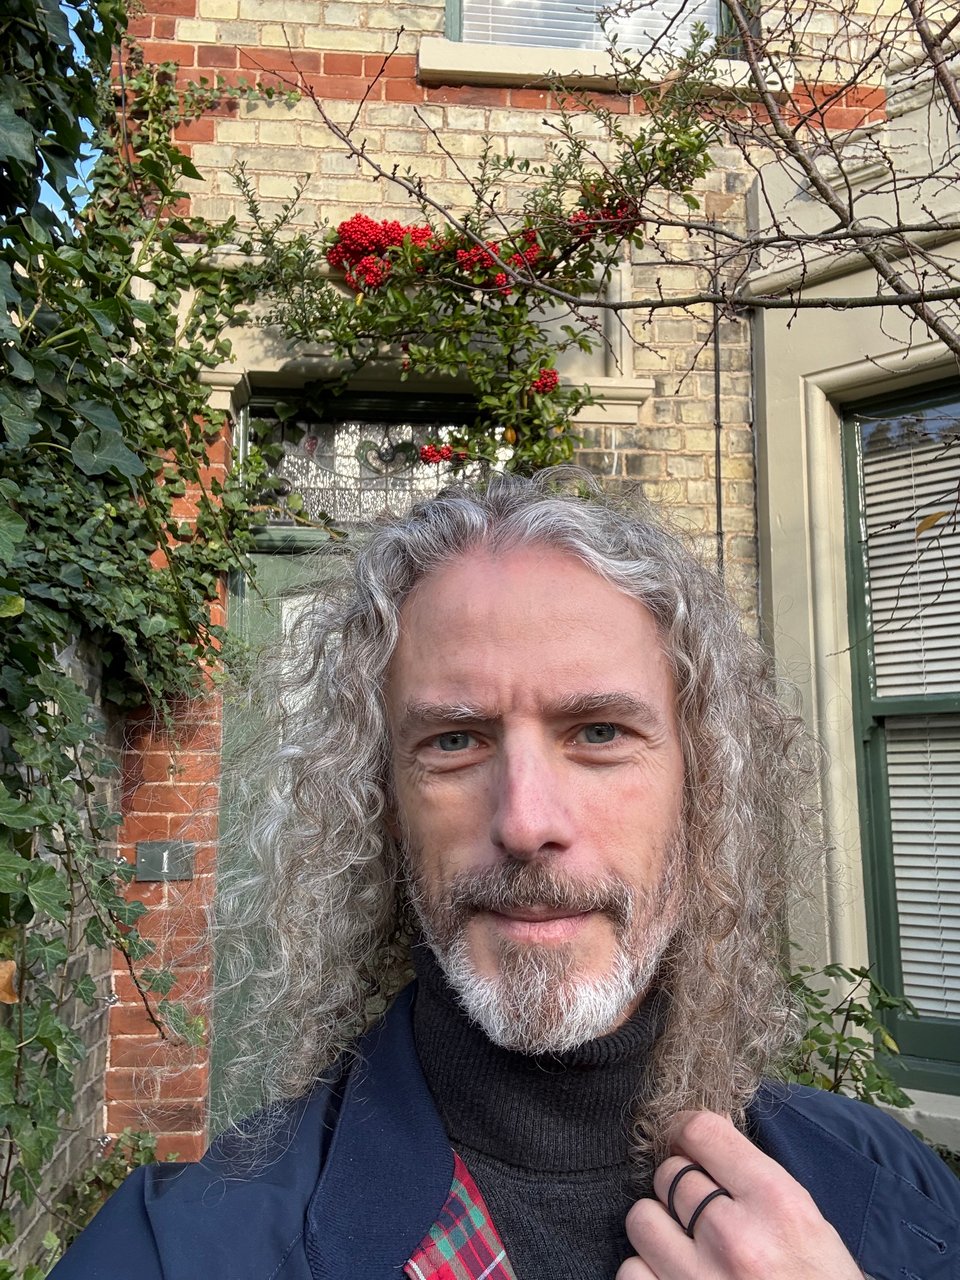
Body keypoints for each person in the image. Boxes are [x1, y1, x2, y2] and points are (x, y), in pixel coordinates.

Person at [52, 471, 959, 1280]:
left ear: (703, 784)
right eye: (455, 741)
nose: (526, 823)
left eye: (599, 733)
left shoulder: (893, 1189)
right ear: (385, 802)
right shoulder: (180, 1250)